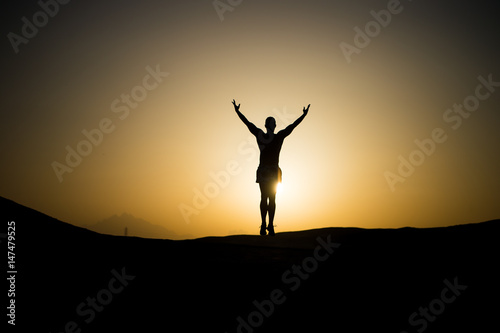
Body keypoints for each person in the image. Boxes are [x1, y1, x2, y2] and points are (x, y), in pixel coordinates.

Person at [232, 99, 309, 236]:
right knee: (267, 198)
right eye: (273, 122)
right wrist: (238, 111)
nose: (274, 124)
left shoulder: (270, 136)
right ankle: (265, 225)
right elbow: (248, 123)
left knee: (269, 198)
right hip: (269, 170)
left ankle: (268, 225)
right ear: (270, 125)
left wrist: (304, 115)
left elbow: (292, 126)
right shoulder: (272, 136)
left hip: (269, 170)